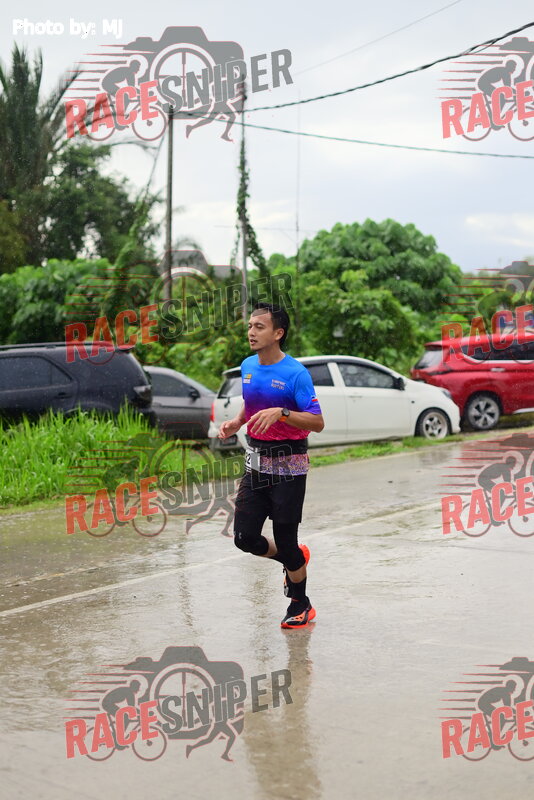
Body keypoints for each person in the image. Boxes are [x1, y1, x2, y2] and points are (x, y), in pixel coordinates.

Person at [218, 302, 324, 628]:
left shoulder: (296, 374)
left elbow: (317, 422)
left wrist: (283, 413)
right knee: (244, 537)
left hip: (290, 465)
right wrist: (237, 422)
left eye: (259, 327)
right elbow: (252, 403)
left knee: (286, 541)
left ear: (278, 333)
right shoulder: (248, 365)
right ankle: (294, 559)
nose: (251, 332)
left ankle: (300, 603)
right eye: (250, 326)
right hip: (256, 463)